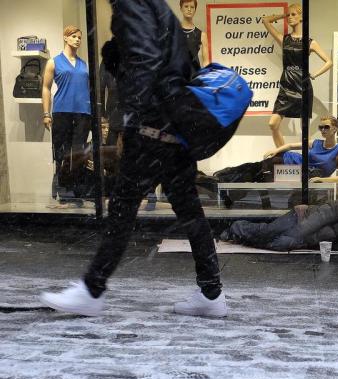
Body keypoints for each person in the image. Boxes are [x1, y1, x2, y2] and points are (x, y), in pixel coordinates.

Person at [40, 0, 227, 318]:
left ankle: (93, 290)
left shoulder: (133, 3)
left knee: (123, 207)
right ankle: (211, 294)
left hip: (151, 127)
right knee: (189, 210)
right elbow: (177, 64)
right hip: (174, 125)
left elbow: (145, 61)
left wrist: (133, 122)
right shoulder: (157, 8)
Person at [263, 3, 332, 147]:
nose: (290, 18)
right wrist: (284, 14)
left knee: (304, 130)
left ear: (302, 17)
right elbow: (265, 20)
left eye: (293, 14)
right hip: (286, 85)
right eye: (289, 15)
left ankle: (306, 162)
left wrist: (314, 74)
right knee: (273, 123)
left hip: (303, 87)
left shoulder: (310, 42)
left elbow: (329, 62)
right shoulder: (284, 39)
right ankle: (284, 155)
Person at [42, 25, 91, 208]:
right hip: (62, 111)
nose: (77, 39)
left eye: (79, 37)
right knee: (61, 151)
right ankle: (63, 191)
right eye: (73, 36)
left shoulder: (84, 64)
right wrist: (46, 113)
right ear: (65, 37)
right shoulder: (54, 62)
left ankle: (76, 192)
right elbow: (46, 88)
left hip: (83, 113)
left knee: (78, 152)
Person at [179, 0, 209, 72]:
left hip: (194, 76)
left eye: (192, 7)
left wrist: (207, 76)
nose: (189, 9)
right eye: (186, 6)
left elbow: (206, 62)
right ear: (181, 8)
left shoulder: (202, 35)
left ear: (195, 10)